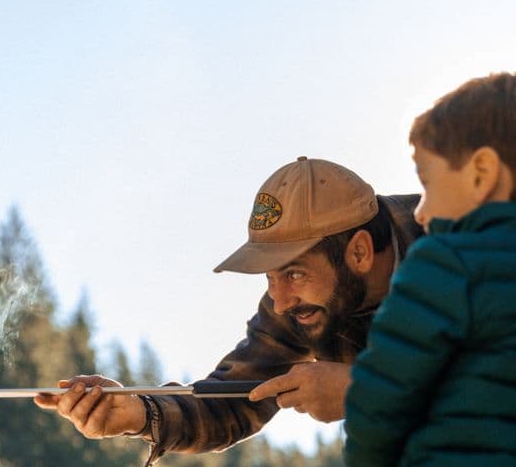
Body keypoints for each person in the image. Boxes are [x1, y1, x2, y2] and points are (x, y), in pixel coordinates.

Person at [35, 156, 422, 465]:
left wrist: (369, 391)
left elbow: (483, 383)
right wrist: (140, 413)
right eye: (269, 277)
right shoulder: (292, 310)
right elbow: (233, 399)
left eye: (295, 273)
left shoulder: (459, 244)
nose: (281, 300)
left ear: (359, 252)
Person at [344, 73, 516, 466]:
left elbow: (380, 400)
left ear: (481, 174)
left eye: (427, 182)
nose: (419, 213)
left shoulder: (446, 263)